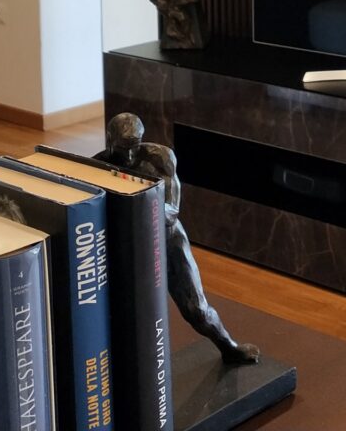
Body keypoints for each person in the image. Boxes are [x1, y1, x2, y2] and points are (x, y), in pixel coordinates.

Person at [95, 112, 260, 364]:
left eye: (134, 147)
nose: (128, 156)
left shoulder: (159, 157)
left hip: (167, 237)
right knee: (128, 315)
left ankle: (228, 346)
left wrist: (137, 207)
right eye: (121, 148)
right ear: (109, 140)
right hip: (128, 244)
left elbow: (172, 209)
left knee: (196, 308)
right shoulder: (97, 166)